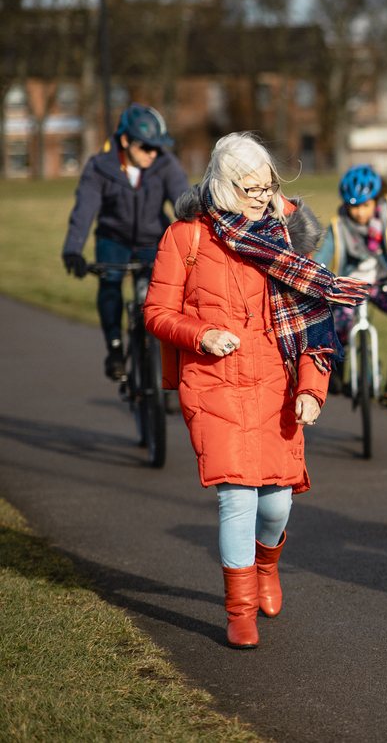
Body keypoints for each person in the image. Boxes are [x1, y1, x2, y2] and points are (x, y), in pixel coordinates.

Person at [144, 133, 369, 648]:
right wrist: (200, 334)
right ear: (222, 187)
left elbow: (316, 326)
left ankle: (267, 564)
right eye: (250, 188)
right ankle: (238, 609)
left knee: (276, 505)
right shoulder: (186, 237)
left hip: (276, 384)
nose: (263, 197)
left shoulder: (287, 239)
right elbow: (156, 312)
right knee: (237, 497)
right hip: (213, 383)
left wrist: (313, 389)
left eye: (268, 186)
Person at [62, 103, 191, 379]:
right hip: (114, 238)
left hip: (154, 239)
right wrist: (72, 250)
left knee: (162, 298)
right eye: (146, 147)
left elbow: (185, 202)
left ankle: (164, 361)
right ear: (125, 140)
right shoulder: (100, 167)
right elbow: (84, 210)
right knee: (110, 285)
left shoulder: (164, 163)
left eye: (157, 147)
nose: (152, 153)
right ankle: (115, 348)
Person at [313, 164, 387, 408]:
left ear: (376, 200)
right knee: (339, 323)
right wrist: (317, 276)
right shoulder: (339, 225)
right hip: (350, 285)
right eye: (353, 206)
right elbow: (323, 255)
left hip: (386, 283)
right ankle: (337, 373)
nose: (360, 213)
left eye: (365, 205)